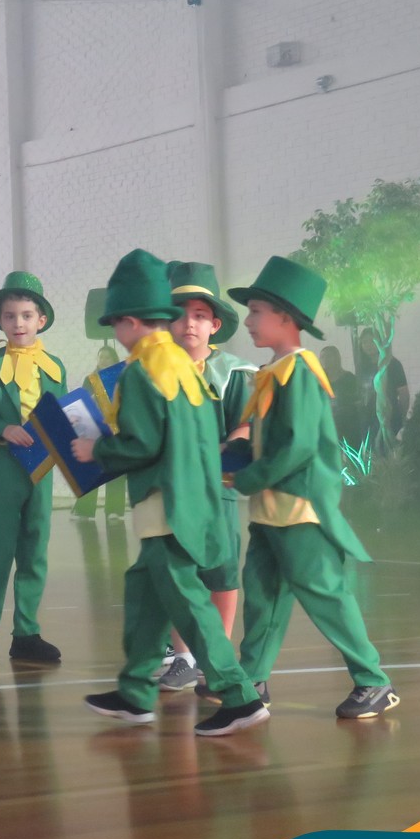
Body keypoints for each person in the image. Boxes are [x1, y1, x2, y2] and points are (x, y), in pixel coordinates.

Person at [72, 249, 268, 736]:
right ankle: (135, 692)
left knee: (192, 608)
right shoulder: (182, 367)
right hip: (194, 505)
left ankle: (240, 698)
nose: (116, 334)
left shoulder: (142, 372)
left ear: (131, 321)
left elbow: (142, 444)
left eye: (116, 324)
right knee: (144, 595)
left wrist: (96, 449)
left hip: (166, 509)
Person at [226, 256, 399, 719]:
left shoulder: (300, 372)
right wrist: (240, 451)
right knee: (262, 595)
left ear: (286, 318)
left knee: (324, 594)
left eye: (256, 311)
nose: (249, 320)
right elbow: (270, 437)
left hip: (299, 509)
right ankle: (252, 678)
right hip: (270, 509)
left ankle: (373, 680)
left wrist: (248, 476)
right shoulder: (275, 370)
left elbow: (299, 447)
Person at [155, 261, 257, 692]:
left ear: (215, 325)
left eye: (199, 315)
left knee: (222, 573)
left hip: (218, 490)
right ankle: (183, 656)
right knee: (180, 574)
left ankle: (217, 654)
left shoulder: (234, 374)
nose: (189, 324)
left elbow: (245, 426)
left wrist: (219, 452)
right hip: (171, 491)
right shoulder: (152, 373)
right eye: (179, 315)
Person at [0, 270, 66, 666]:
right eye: (10, 316)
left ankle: (26, 634)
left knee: (35, 550)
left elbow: (60, 416)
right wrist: (2, 428)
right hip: (4, 465)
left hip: (42, 468)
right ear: (0, 321)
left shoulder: (54, 367)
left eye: (26, 315)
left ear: (41, 319)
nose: (18, 323)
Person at [70, 344, 127, 524]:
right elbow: (82, 402)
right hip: (94, 428)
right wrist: (94, 398)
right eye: (101, 357)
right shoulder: (90, 380)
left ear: (114, 360)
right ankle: (85, 510)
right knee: (92, 469)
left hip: (117, 429)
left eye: (107, 357)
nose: (103, 360)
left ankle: (114, 511)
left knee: (116, 469)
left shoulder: (123, 377)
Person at [355, 328, 409, 443]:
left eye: (371, 341)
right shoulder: (362, 366)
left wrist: (402, 416)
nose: (368, 345)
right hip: (367, 416)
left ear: (379, 342)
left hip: (388, 415)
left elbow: (403, 393)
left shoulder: (393, 364)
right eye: (364, 342)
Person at [319, 345, 365, 446]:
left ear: (337, 358)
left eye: (329, 356)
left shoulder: (349, 378)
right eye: (322, 357)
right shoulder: (319, 382)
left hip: (349, 424)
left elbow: (357, 401)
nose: (325, 359)